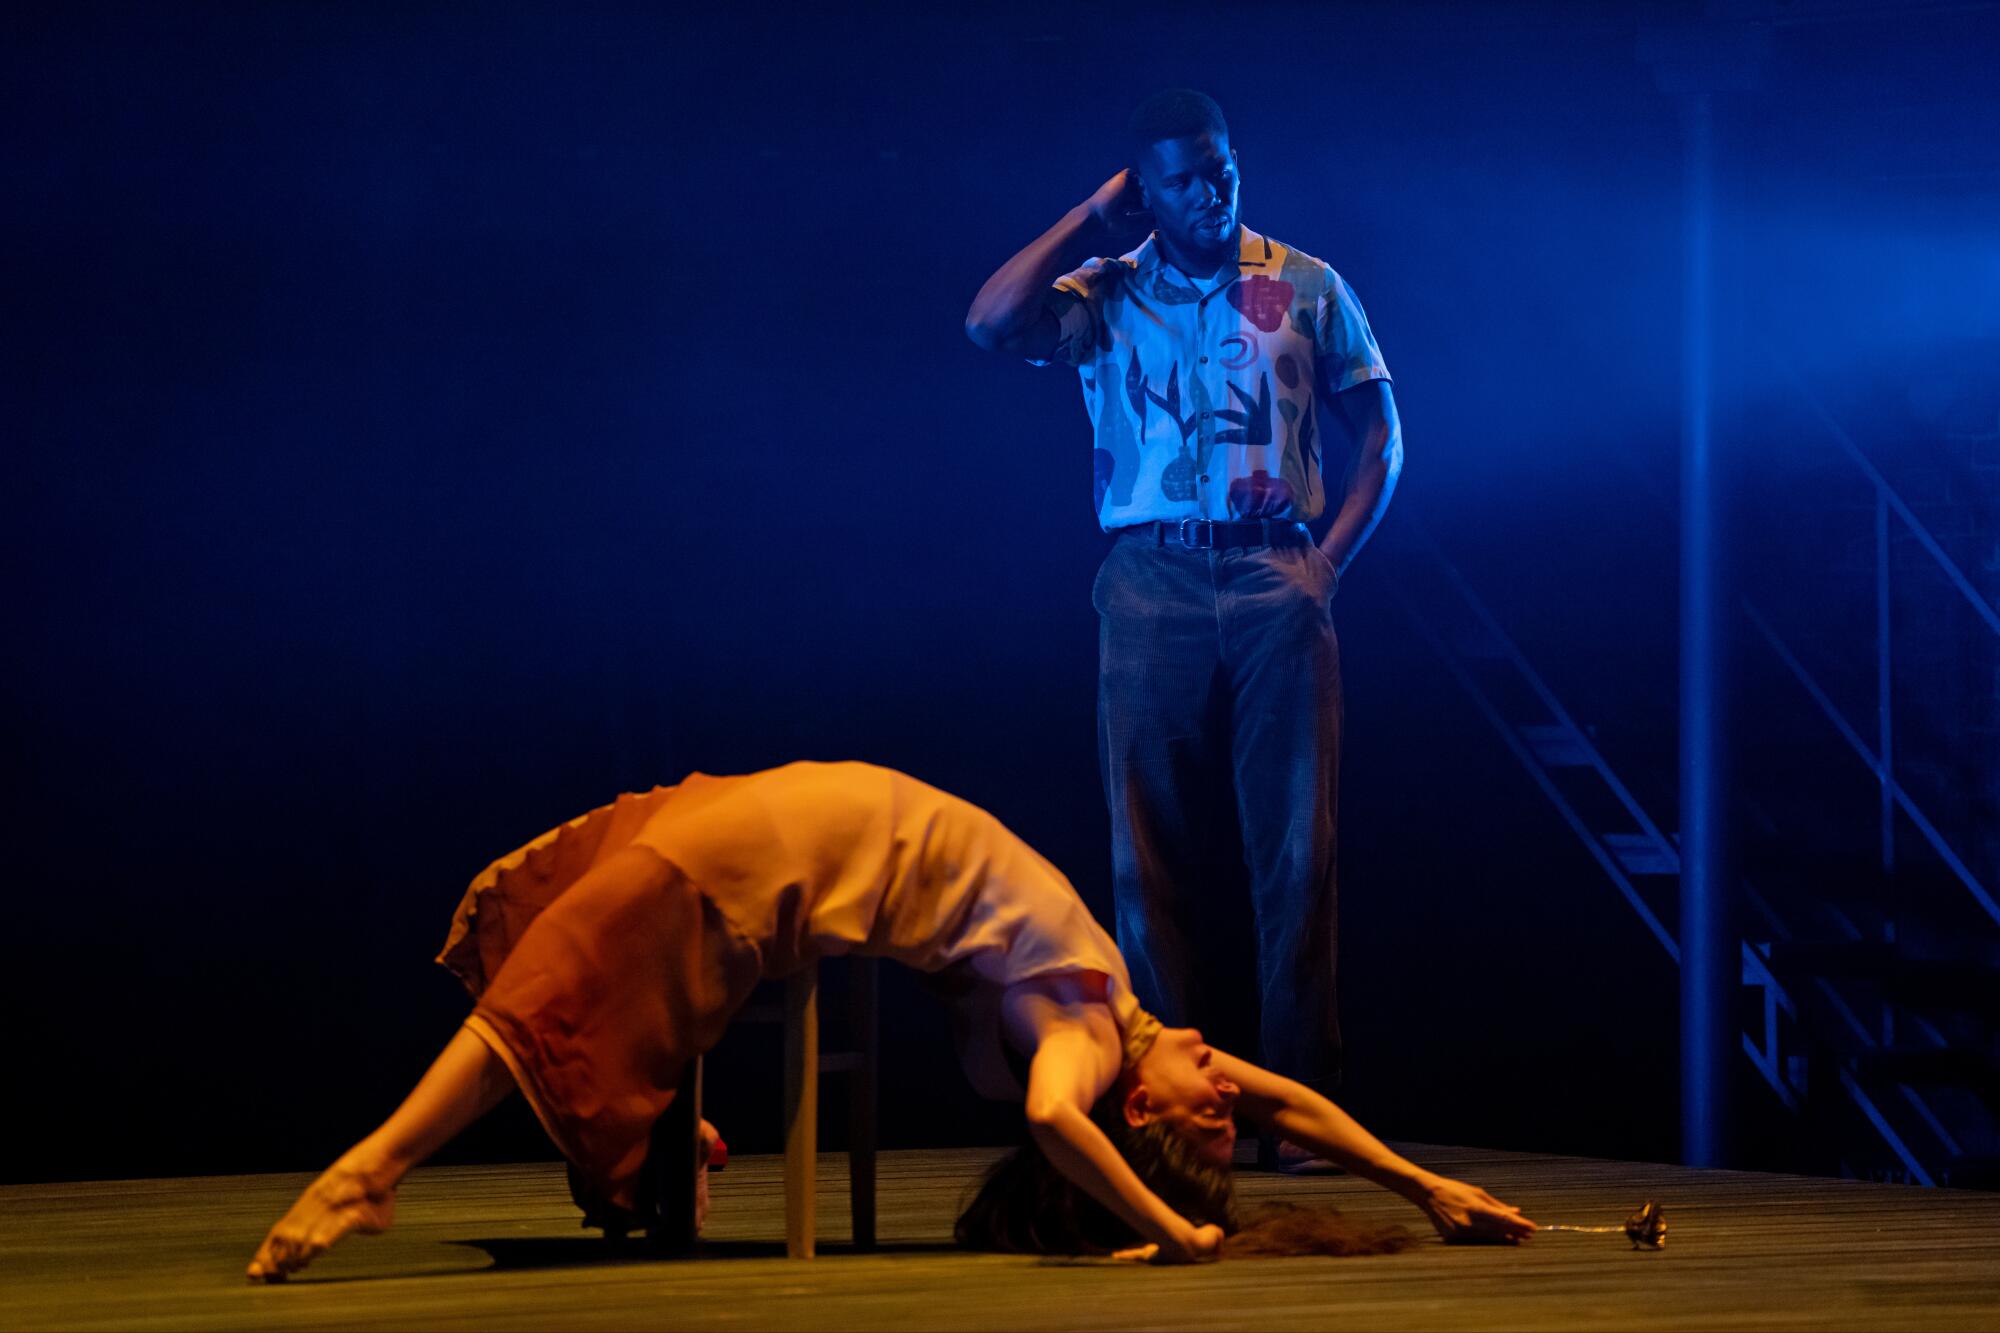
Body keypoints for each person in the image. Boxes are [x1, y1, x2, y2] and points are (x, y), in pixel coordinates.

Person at [247, 762, 1523, 1280]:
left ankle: (372, 1170)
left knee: (574, 962)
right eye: (1228, 1095)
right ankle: (639, 1149)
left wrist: (1177, 1234)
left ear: (1138, 1111)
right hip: (799, 803)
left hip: (796, 845)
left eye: (1213, 1109)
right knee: (562, 894)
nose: (1228, 1084)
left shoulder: (1079, 1046)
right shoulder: (1122, 1022)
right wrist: (1420, 1184)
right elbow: (1296, 1101)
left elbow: (1048, 1122)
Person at [964, 90, 1402, 1165]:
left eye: (1221, 169)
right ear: (1144, 191)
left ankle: (1299, 1119)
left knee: (1295, 847)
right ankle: (1165, 1107)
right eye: (1183, 179)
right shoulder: (1104, 294)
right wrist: (1088, 215)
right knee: (1143, 854)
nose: (1210, 192)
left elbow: (1382, 436)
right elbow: (986, 321)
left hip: (1271, 574)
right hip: (1148, 576)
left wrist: (1323, 568)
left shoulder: (1304, 282)